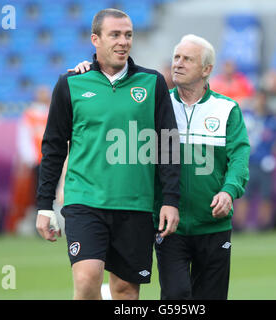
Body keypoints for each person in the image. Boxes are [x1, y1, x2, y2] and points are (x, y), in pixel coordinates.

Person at [74, 33, 250, 300]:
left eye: (187, 59)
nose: (177, 63)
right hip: (168, 224)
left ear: (206, 69)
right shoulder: (153, 102)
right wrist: (90, 69)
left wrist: (229, 190)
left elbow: (239, 157)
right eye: (176, 57)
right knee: (176, 295)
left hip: (213, 225)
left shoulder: (226, 109)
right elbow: (114, 98)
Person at [36, 8, 180, 300]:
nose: (123, 41)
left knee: (125, 291)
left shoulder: (152, 84)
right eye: (114, 34)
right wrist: (44, 204)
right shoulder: (71, 84)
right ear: (95, 39)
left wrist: (170, 200)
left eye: (128, 35)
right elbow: (52, 146)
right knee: (88, 280)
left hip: (136, 204)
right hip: (84, 200)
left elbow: (168, 145)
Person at [232, 89, 276, 231]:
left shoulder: (272, 119)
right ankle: (238, 224)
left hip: (265, 163)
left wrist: (274, 151)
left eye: (262, 99)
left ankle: (264, 224)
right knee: (243, 195)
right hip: (247, 161)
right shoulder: (245, 115)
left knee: (266, 195)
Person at [6, 85, 51, 233]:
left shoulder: (51, 112)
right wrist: (30, 157)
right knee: (38, 192)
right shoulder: (30, 115)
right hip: (38, 160)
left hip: (52, 159)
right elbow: (24, 138)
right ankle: (38, 222)